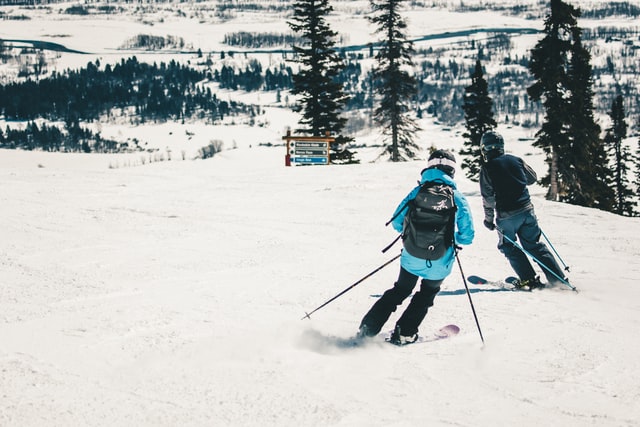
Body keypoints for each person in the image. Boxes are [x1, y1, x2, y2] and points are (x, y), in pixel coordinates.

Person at [357, 150, 474, 345]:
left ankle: (368, 328)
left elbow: (396, 222)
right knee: (426, 295)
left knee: (400, 290)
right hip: (440, 259)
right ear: (452, 171)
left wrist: (414, 234)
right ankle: (405, 333)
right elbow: (467, 236)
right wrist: (453, 239)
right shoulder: (456, 197)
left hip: (411, 255)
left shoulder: (417, 192)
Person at [479, 130, 568, 289]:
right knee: (534, 245)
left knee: (508, 246)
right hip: (527, 211)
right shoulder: (515, 160)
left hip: (506, 216)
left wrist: (488, 220)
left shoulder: (487, 168)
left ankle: (529, 280)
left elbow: (488, 198)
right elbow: (532, 178)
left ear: (484, 148)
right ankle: (558, 280)